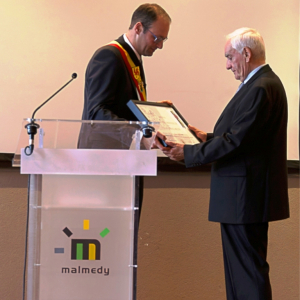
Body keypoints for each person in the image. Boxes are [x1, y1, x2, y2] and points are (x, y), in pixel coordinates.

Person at [159, 28, 289, 300]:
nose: (227, 65)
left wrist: (191, 153)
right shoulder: (261, 84)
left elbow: (237, 141)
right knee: (240, 274)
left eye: (229, 57)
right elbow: (244, 136)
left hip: (245, 198)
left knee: (248, 273)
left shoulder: (262, 86)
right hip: (242, 197)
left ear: (246, 53)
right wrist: (205, 137)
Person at [78, 3, 171, 218]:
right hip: (105, 167)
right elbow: (97, 113)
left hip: (125, 164)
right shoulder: (110, 56)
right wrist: (138, 133)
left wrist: (153, 113)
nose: (160, 46)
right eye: (157, 38)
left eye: (163, 40)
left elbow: (122, 107)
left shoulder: (133, 58)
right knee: (105, 236)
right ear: (138, 28)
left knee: (125, 238)